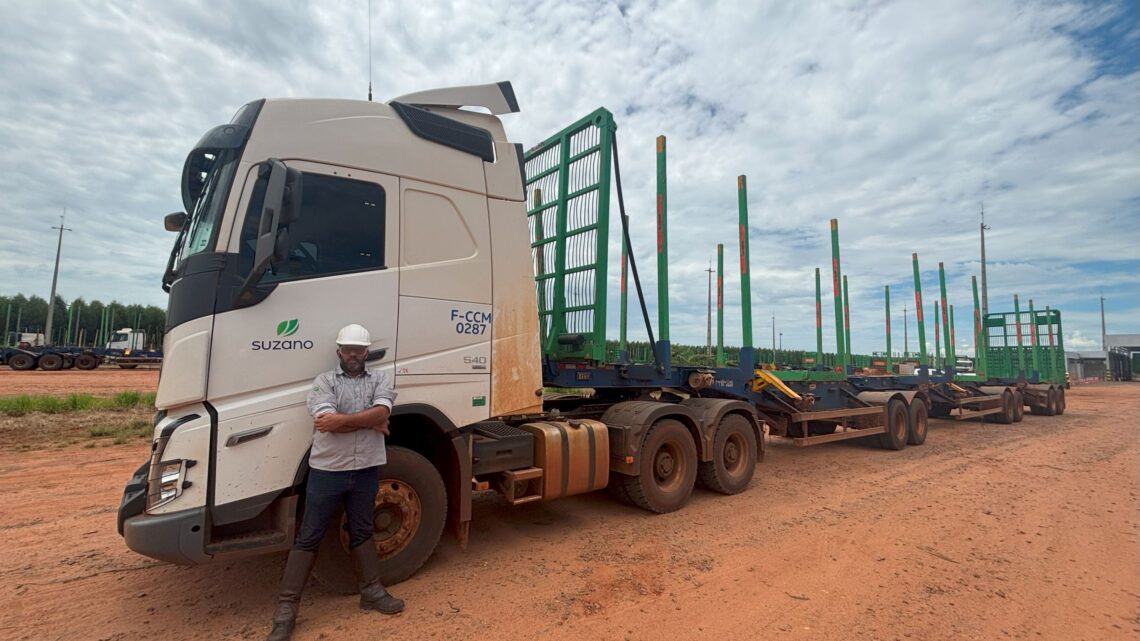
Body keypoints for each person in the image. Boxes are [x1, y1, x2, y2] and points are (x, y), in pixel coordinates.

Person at [267, 323, 404, 641]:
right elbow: (325, 423)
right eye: (348, 349)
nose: (354, 354)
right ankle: (286, 611)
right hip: (328, 470)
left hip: (367, 469)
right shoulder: (324, 382)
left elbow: (382, 411)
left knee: (362, 530)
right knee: (309, 536)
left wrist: (348, 420)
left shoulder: (380, 379)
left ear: (367, 352)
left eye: (359, 350)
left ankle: (371, 592)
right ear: (339, 351)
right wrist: (371, 422)